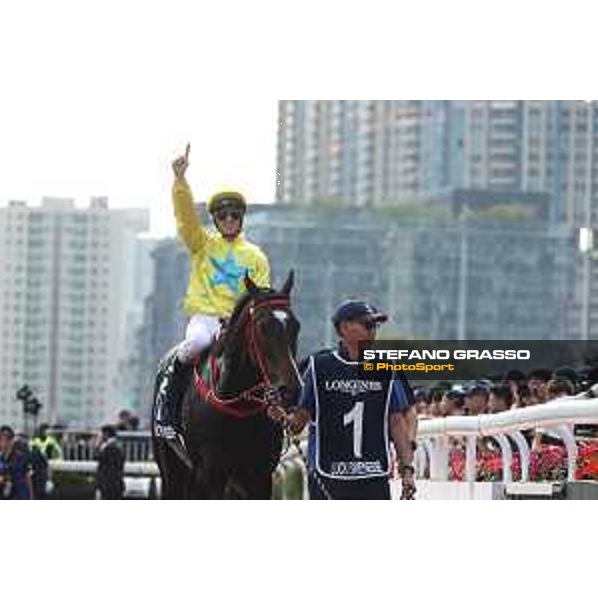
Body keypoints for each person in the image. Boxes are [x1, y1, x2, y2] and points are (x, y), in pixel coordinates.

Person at [154, 144, 271, 455]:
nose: (229, 219)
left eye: (235, 214)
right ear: (216, 219)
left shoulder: (256, 255)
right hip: (206, 319)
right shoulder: (202, 245)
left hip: (239, 323)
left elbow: (261, 299)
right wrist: (180, 179)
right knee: (192, 347)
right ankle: (168, 406)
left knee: (268, 354)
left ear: (242, 218)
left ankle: (278, 414)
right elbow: (185, 219)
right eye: (223, 215)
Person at [281, 300, 416, 500]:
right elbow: (297, 424)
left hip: (373, 476)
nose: (373, 331)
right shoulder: (319, 367)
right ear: (344, 328)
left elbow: (396, 422)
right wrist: (280, 417)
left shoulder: (385, 367)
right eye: (367, 325)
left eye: (375, 326)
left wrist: (407, 471)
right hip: (328, 476)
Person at [0, 426, 32, 500]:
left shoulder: (21, 457)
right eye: (0, 439)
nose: (4, 442)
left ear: (12, 440)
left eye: (7, 439)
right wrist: (2, 479)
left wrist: (32, 498)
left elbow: (28, 478)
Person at [94, 426, 125, 500]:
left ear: (106, 434)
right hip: (114, 484)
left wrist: (97, 444)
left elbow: (97, 457)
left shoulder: (110, 447)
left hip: (108, 485)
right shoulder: (116, 446)